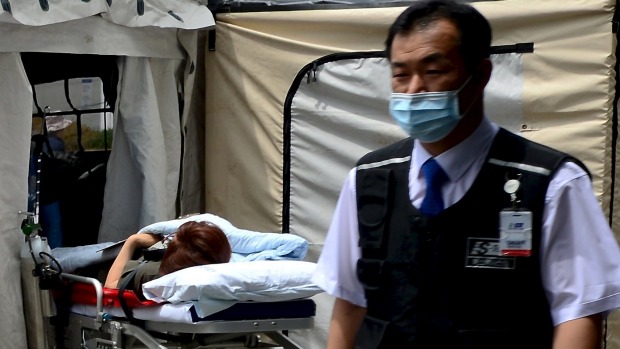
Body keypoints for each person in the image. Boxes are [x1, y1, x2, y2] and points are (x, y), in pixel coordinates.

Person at [311, 1, 620, 348]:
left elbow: (578, 314)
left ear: (481, 74)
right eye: (401, 74)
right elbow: (350, 303)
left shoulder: (551, 182)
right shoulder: (368, 178)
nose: (414, 90)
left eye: (433, 72)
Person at [104, 220, 232, 300]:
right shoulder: (223, 268)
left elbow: (110, 287)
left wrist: (133, 241)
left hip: (110, 265)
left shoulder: (154, 272)